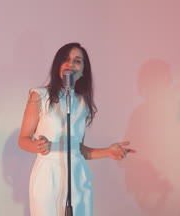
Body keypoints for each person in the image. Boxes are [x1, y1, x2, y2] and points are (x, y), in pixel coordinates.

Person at [18, 42, 134, 216]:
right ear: (58, 65)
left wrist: (108, 152)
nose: (70, 64)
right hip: (48, 175)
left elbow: (77, 149)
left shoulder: (82, 104)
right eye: (66, 59)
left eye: (77, 61)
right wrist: (38, 147)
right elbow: (23, 139)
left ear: (82, 72)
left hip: (78, 176)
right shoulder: (39, 96)